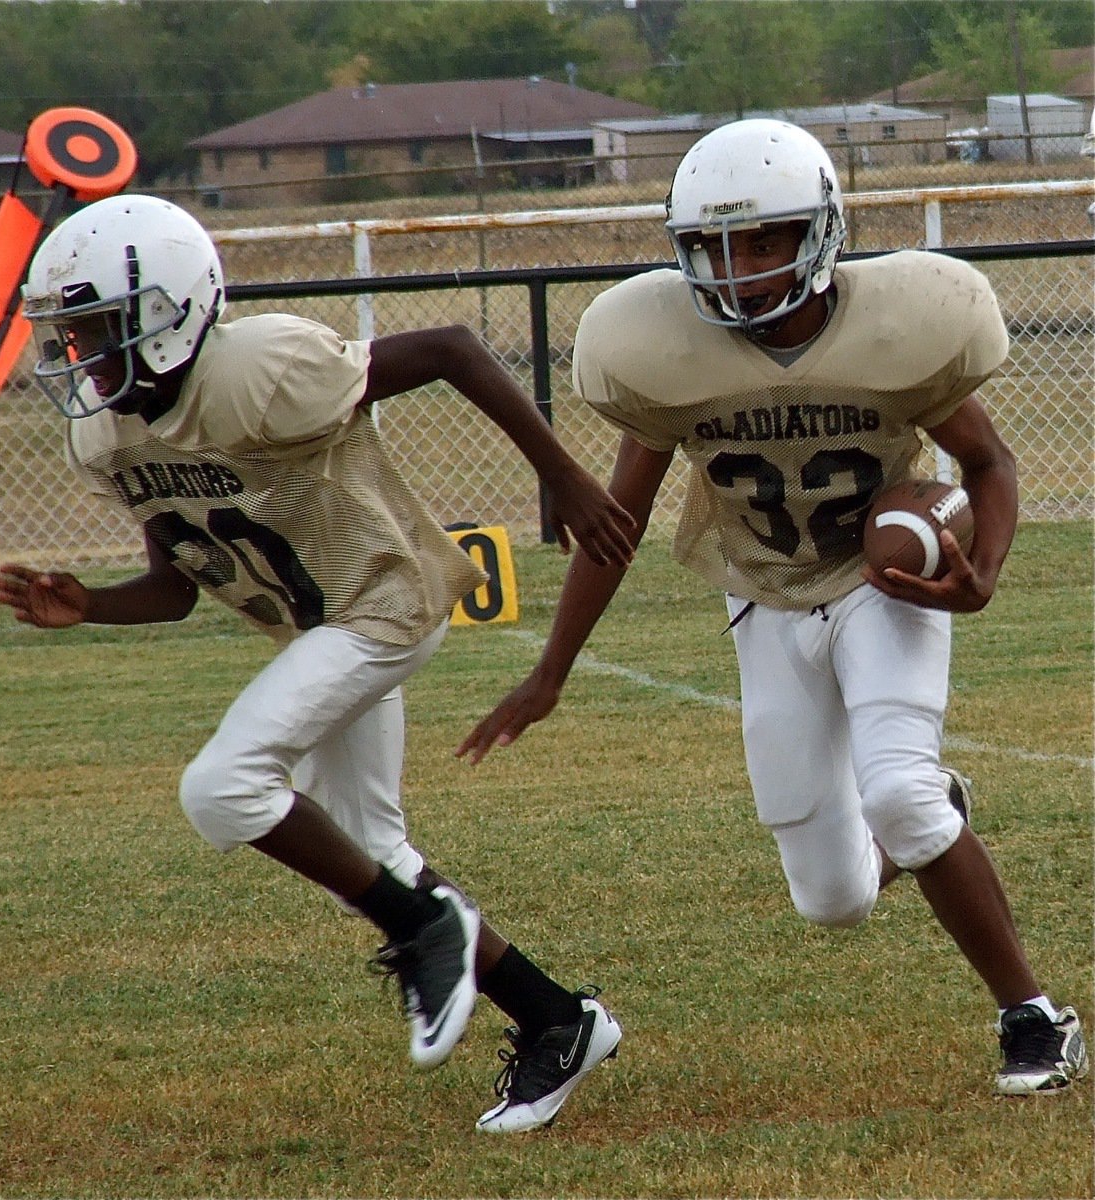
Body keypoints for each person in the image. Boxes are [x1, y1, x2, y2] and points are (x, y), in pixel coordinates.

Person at [459, 119, 1088, 1096]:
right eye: (712, 245)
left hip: (884, 587)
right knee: (832, 898)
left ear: (822, 234)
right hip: (762, 602)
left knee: (899, 794)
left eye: (762, 240)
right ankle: (931, 821)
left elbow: (990, 461)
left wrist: (986, 566)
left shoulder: (897, 327)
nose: (738, 268)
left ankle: (1034, 1017)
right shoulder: (668, 352)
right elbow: (617, 523)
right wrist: (550, 672)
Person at [0, 194, 631, 1132]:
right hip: (320, 629)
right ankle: (556, 1018)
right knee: (369, 855)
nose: (80, 354)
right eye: (70, 334)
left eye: (95, 328)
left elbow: (452, 345)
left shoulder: (259, 370)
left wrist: (562, 472)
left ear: (167, 310)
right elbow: (173, 587)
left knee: (221, 787)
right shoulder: (108, 433)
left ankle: (423, 931)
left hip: (384, 604)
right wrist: (91, 606)